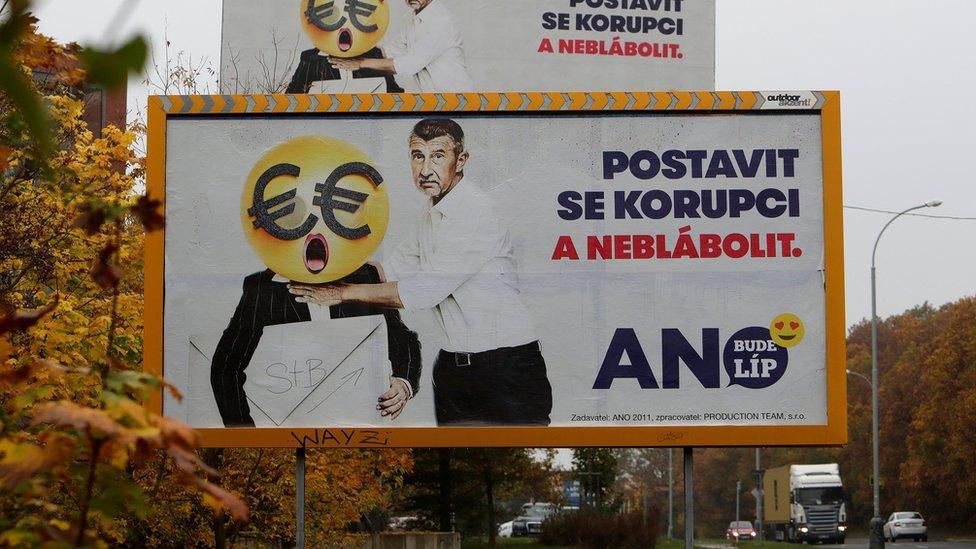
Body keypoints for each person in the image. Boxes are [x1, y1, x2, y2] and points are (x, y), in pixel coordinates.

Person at [289, 118, 552, 426]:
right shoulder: (429, 215)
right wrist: (317, 258)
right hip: (454, 369)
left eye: (438, 156)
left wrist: (342, 292)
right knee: (454, 469)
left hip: (509, 367)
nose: (426, 169)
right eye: (418, 156)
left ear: (461, 160)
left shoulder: (475, 211)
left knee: (514, 468)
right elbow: (386, 271)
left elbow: (423, 291)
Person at [327, 0, 475, 92]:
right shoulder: (413, 19)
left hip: (460, 100)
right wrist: (350, 43)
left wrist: (360, 63)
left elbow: (408, 65)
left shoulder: (441, 20)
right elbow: (388, 53)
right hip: (437, 101)